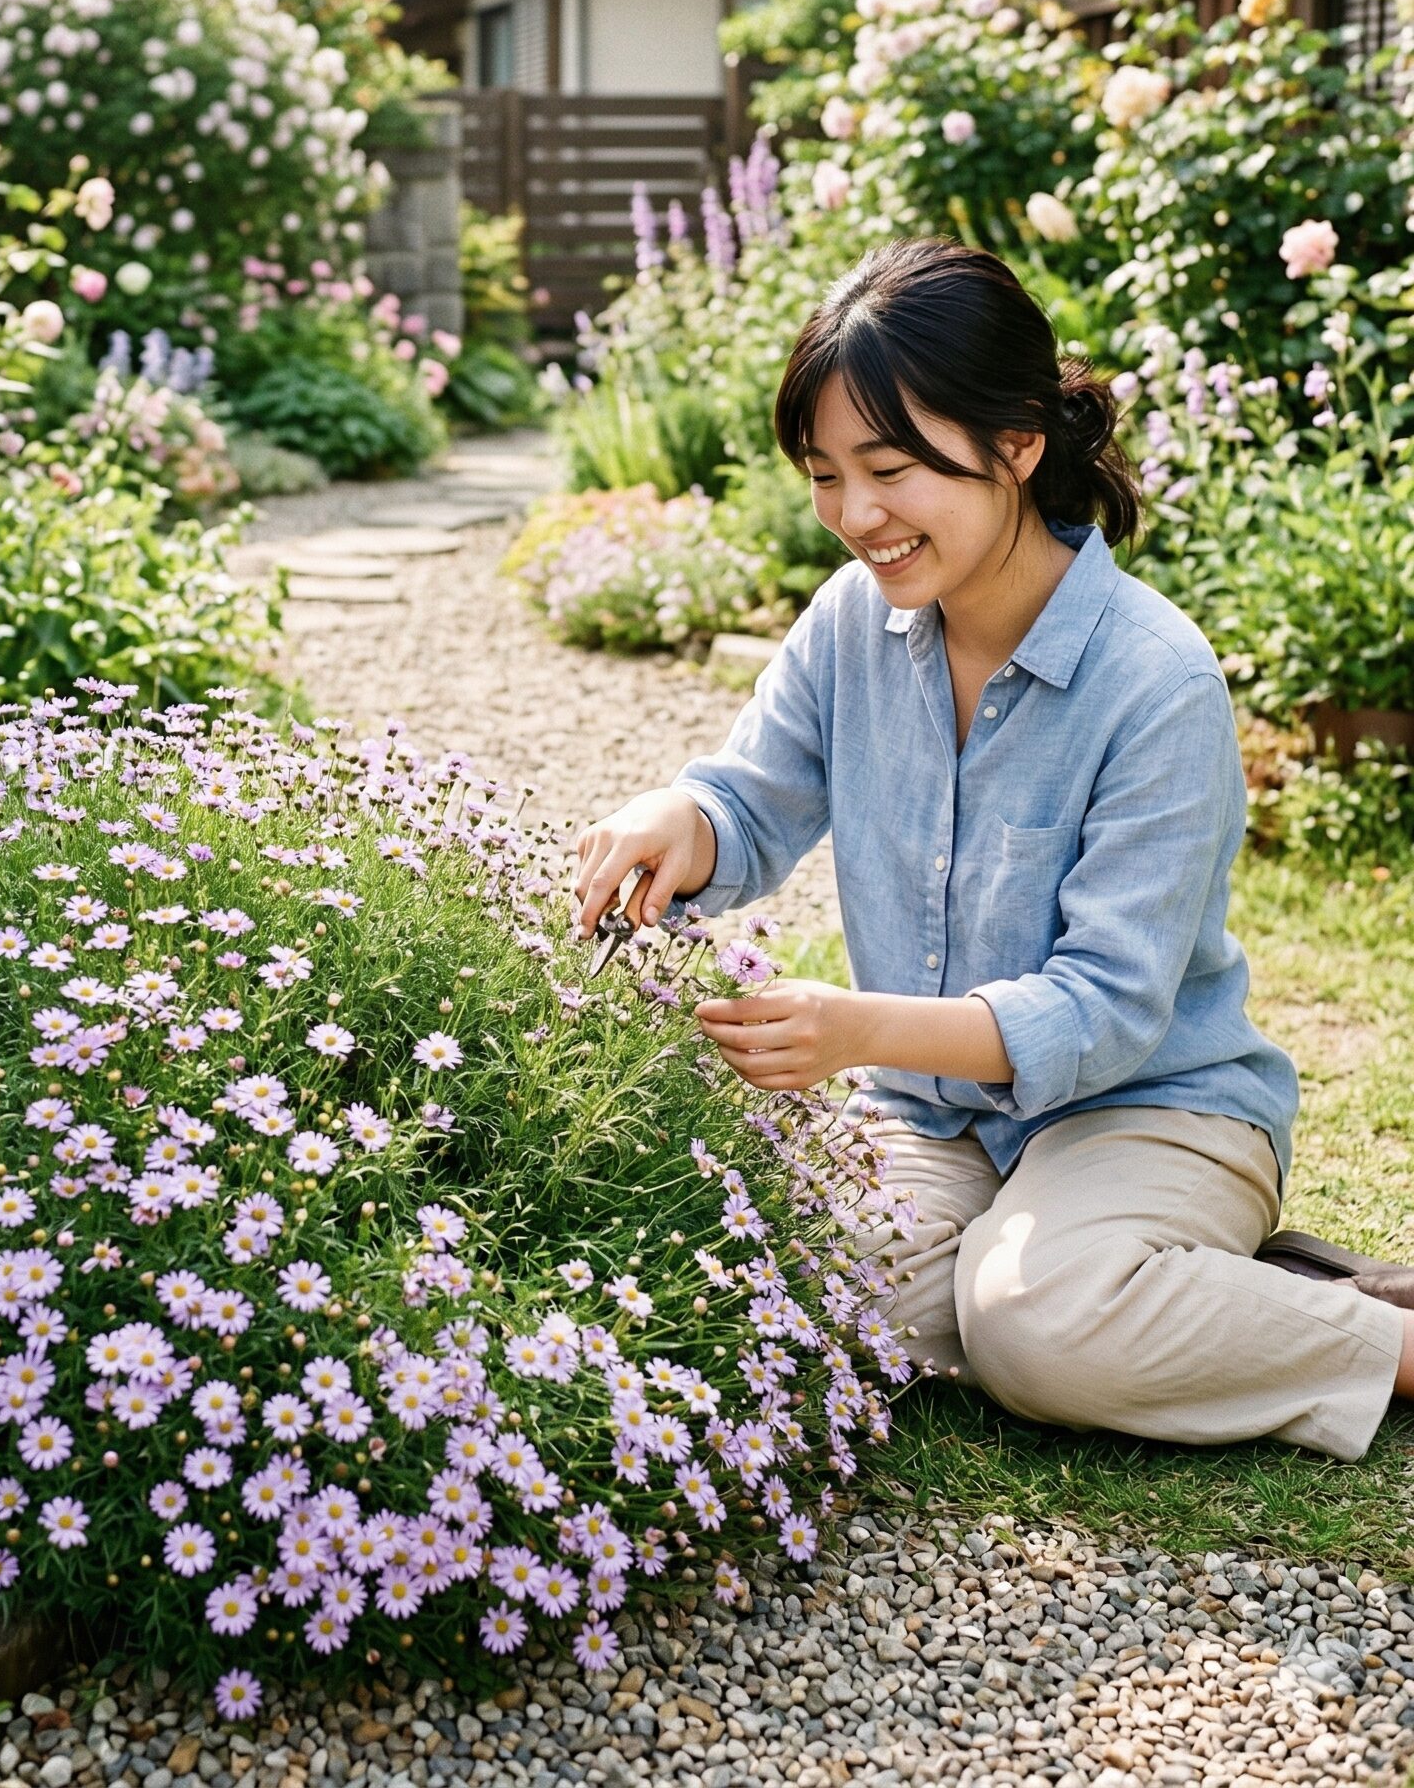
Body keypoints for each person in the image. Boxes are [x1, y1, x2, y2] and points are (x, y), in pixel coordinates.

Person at [570, 236, 1414, 1462]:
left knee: (1028, 1325)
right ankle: (1135, 1271)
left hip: (1151, 1105)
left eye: (890, 467)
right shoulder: (852, 624)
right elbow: (746, 806)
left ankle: (1372, 1333)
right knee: (791, 1296)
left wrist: (855, 1030)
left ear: (1015, 445)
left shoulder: (1152, 678)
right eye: (823, 474)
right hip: (933, 1116)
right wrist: (674, 817)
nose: (855, 517)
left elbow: (1104, 1010)